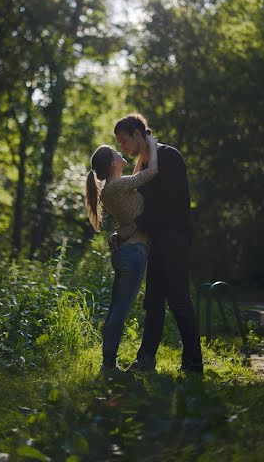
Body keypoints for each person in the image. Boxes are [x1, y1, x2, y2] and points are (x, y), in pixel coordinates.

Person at [112, 113, 203, 374]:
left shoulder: (168, 157)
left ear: (138, 134)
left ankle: (194, 365)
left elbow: (167, 206)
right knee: (153, 302)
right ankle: (146, 361)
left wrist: (135, 227)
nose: (122, 147)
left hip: (174, 239)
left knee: (179, 300)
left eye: (124, 140)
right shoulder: (143, 165)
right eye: (118, 143)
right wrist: (124, 229)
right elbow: (140, 207)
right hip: (156, 240)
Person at [85, 133, 159, 372]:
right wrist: (153, 148)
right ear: (112, 164)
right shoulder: (118, 185)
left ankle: (108, 363)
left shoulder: (112, 187)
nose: (121, 154)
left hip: (125, 253)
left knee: (115, 311)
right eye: (117, 154)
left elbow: (136, 177)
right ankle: (108, 365)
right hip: (134, 252)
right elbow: (150, 173)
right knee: (119, 312)